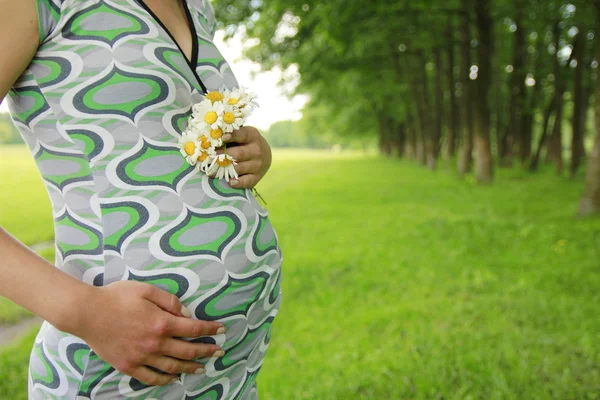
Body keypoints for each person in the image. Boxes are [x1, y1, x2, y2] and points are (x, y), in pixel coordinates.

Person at [0, 0, 283, 398]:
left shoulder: (198, 7)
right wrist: (85, 312)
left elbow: (163, 128)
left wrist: (254, 152)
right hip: (118, 372)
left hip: (232, 369)